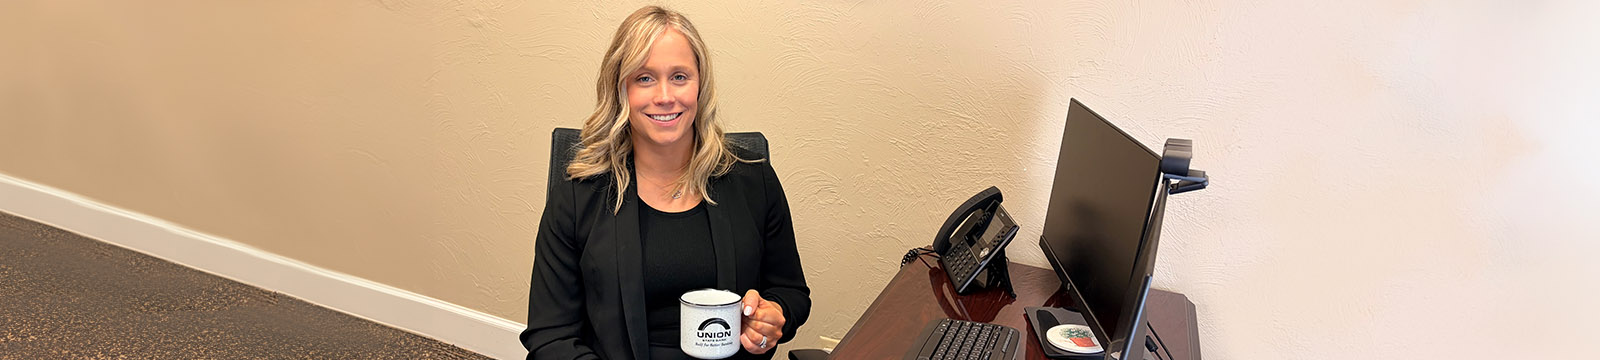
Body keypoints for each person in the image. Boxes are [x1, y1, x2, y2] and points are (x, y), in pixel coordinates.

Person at [520, 6, 810, 360]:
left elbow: (790, 291)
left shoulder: (753, 178)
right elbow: (551, 337)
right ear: (620, 89)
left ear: (700, 84)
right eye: (644, 78)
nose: (664, 96)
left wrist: (774, 315)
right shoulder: (577, 198)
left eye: (679, 76)